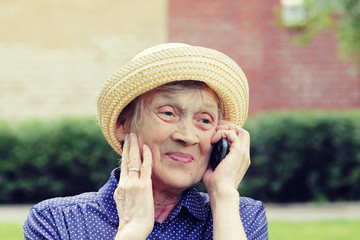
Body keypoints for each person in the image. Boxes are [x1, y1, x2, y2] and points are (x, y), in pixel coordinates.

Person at [23, 43, 268, 239]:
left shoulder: (242, 217)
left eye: (204, 120)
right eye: (169, 113)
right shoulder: (57, 221)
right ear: (123, 124)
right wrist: (133, 231)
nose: (187, 136)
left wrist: (223, 195)